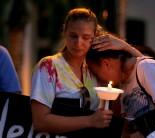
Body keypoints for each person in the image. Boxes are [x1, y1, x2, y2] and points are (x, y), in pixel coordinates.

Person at [30, 8, 141, 137]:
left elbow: (143, 67)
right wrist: (89, 121)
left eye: (86, 37)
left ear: (93, 37)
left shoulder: (93, 69)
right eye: (73, 36)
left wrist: (124, 46)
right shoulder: (49, 66)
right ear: (64, 31)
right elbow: (40, 121)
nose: (78, 43)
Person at [87, 36, 155, 138]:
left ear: (106, 64)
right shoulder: (123, 85)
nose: (99, 81)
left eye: (96, 74)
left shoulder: (146, 67)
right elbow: (128, 129)